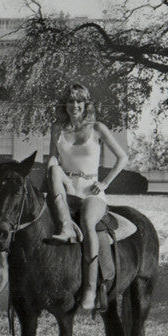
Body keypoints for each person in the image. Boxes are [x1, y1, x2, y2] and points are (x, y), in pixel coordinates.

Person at [45, 83, 128, 311]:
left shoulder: (97, 128)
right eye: (70, 101)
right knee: (53, 170)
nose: (74, 105)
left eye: (79, 101)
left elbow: (122, 157)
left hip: (92, 191)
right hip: (67, 188)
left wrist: (104, 182)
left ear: (86, 104)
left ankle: (90, 289)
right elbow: (53, 157)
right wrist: (53, 165)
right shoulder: (57, 128)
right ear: (65, 105)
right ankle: (65, 228)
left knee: (88, 222)